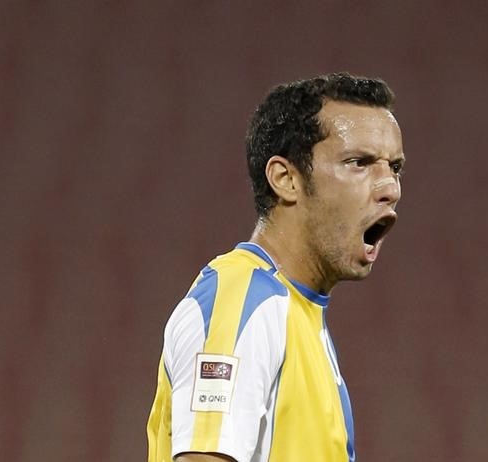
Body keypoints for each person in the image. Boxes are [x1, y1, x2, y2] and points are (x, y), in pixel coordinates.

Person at [146, 72, 405, 462]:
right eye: (359, 163)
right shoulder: (244, 300)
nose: (391, 187)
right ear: (286, 179)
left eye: (394, 167)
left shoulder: (297, 312)